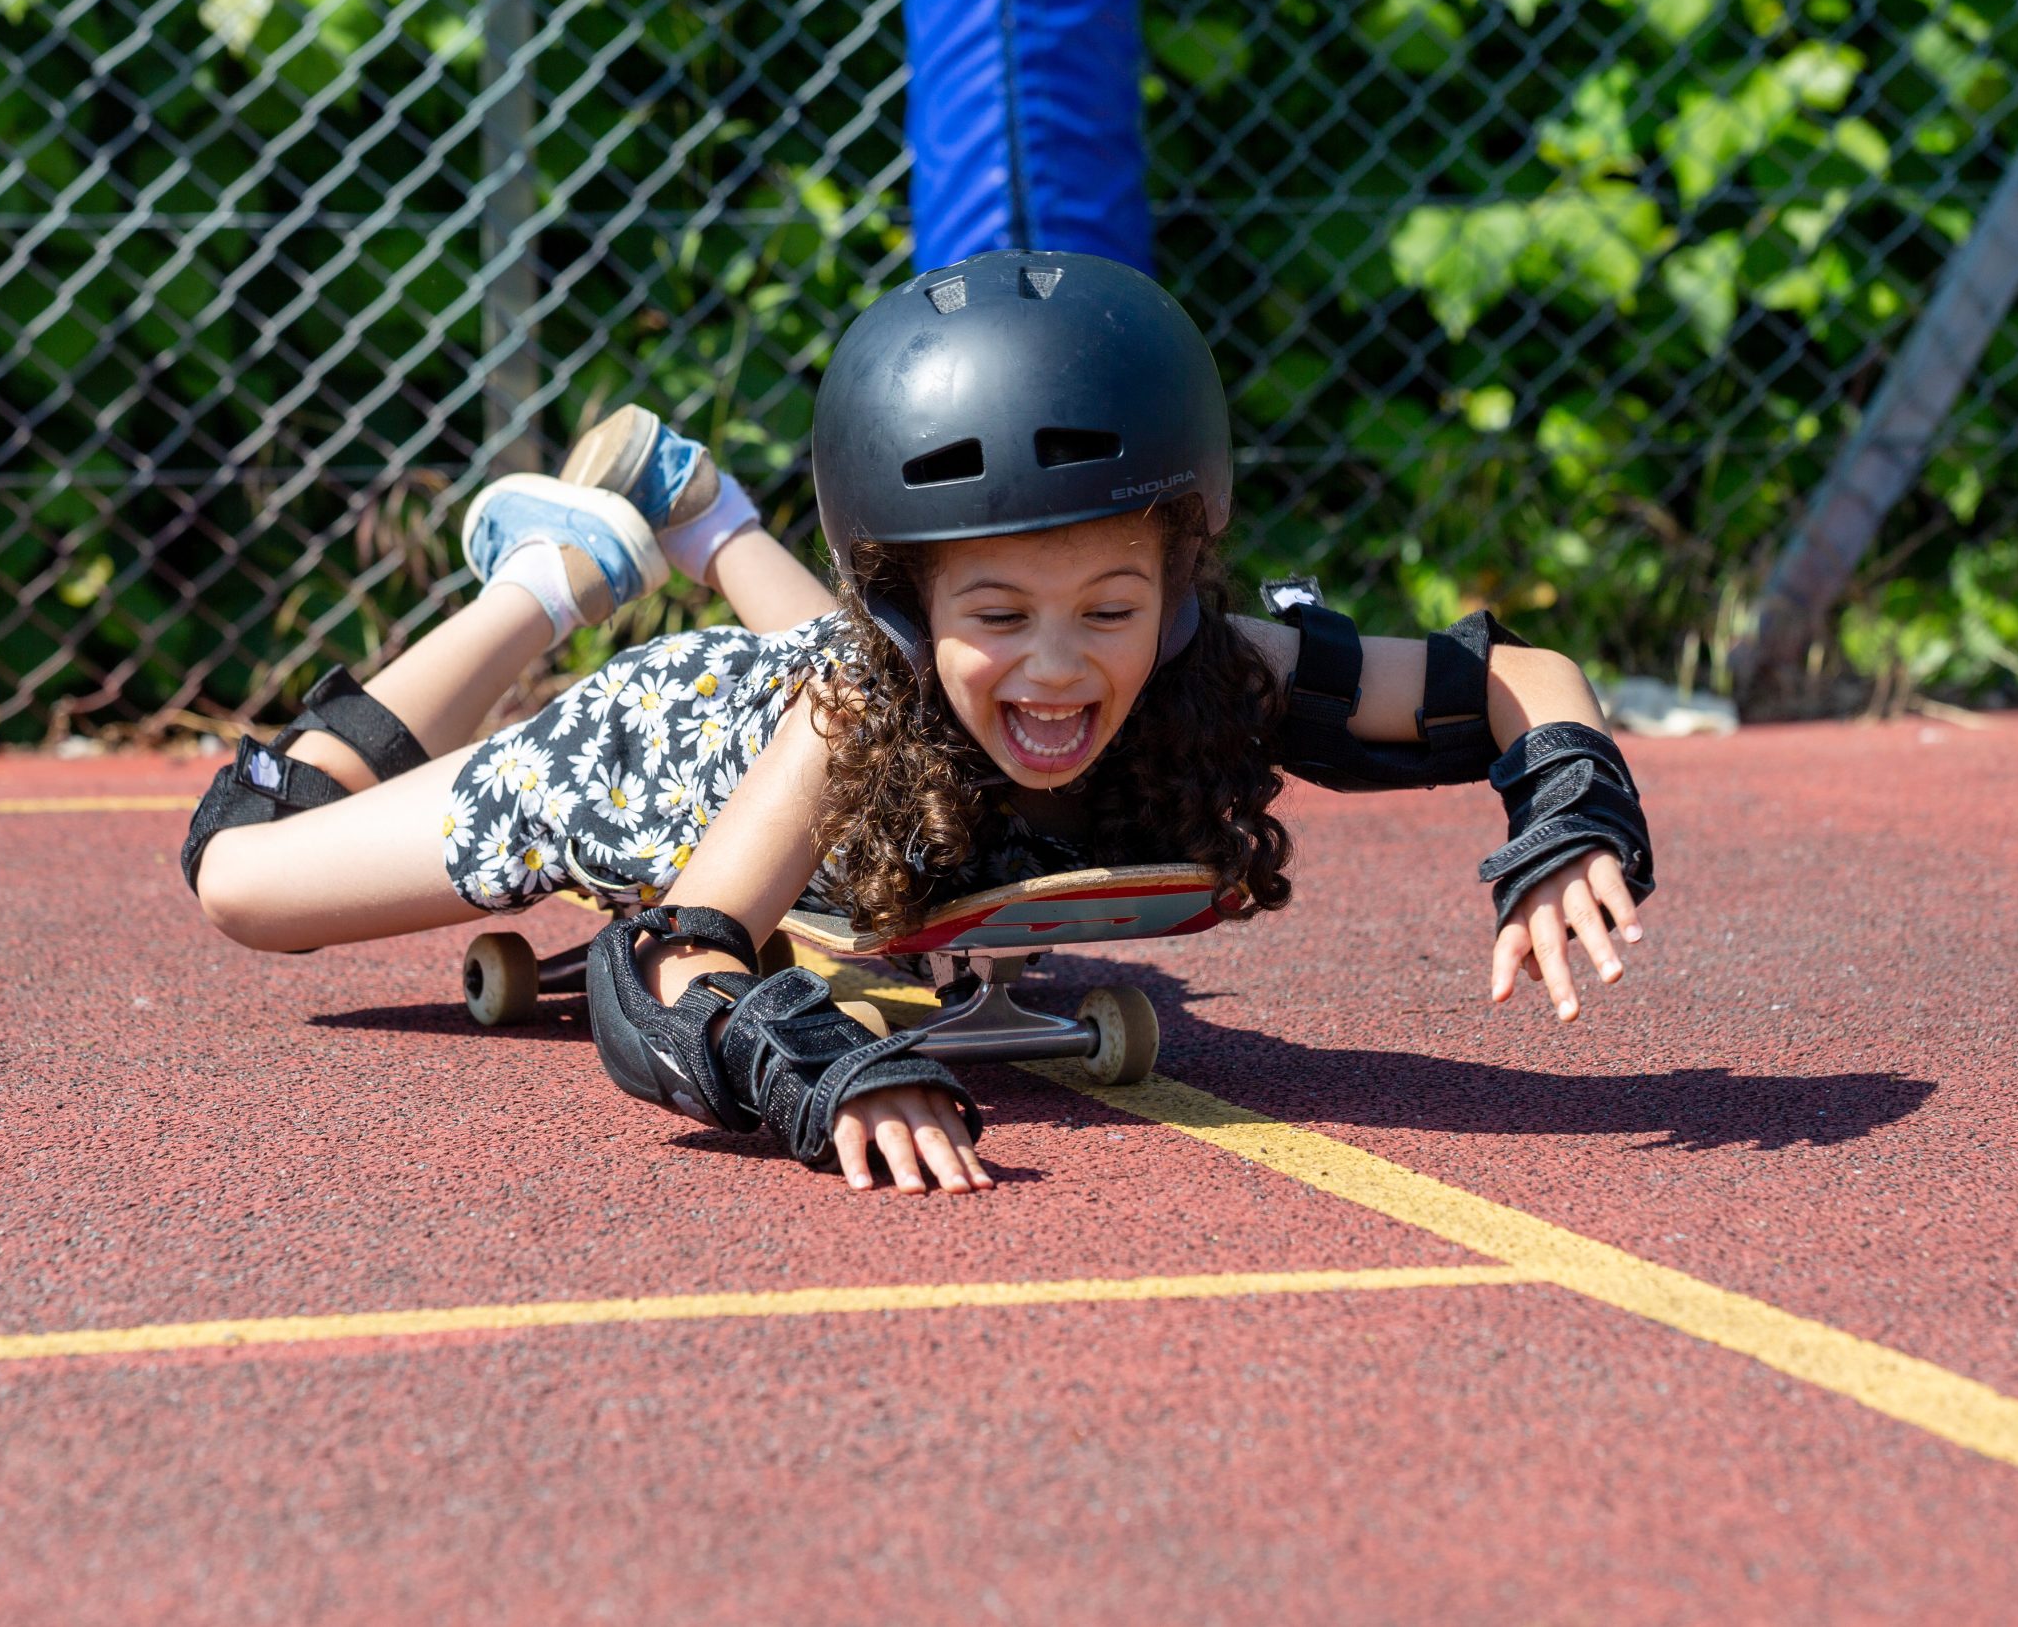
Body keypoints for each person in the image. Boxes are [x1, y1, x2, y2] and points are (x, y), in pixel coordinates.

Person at [181, 251, 1655, 1197]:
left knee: (927, 713)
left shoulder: (1211, 654)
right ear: (905, 601)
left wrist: (1571, 808)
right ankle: (560, 576)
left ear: (1179, 578)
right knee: (244, 880)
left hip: (868, 702)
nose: (1065, 671)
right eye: (1002, 613)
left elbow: (1514, 676)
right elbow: (673, 956)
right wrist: (810, 1069)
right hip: (668, 749)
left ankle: (704, 504)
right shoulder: (851, 697)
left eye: (1111, 609)